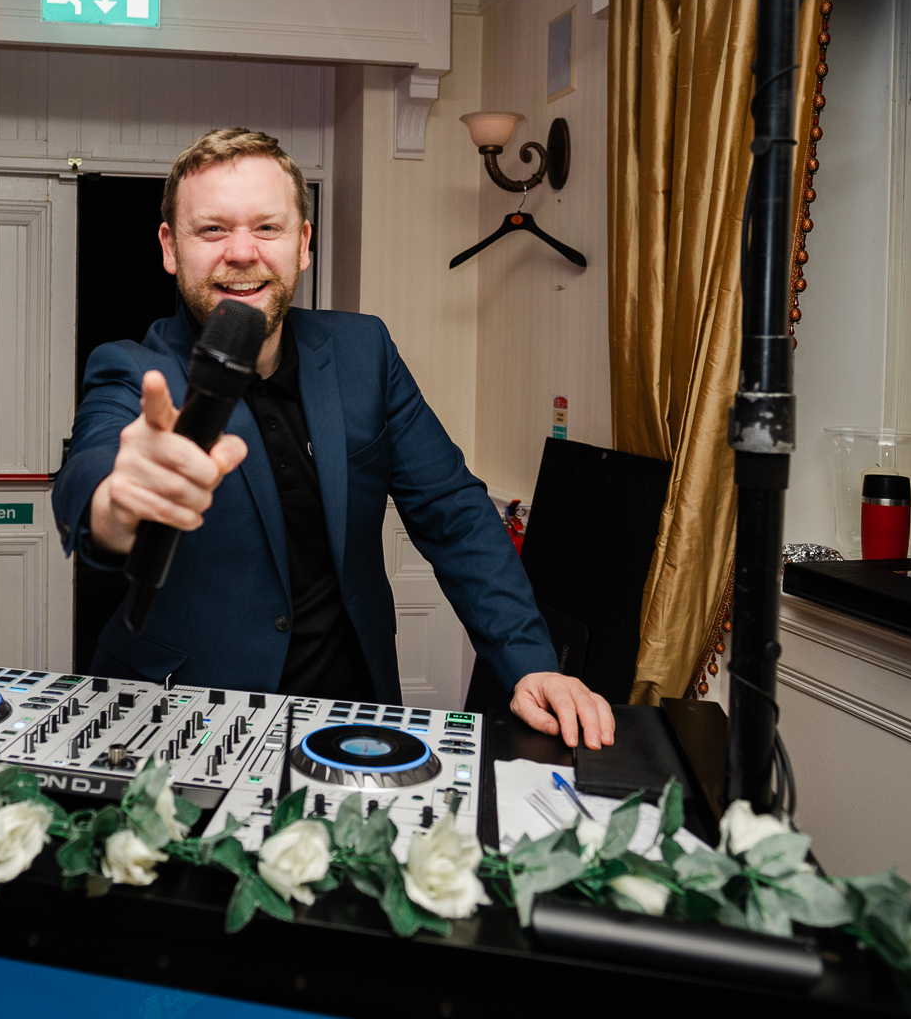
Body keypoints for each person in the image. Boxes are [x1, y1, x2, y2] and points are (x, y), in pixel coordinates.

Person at [51, 128, 615, 749]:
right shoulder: (132, 369)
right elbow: (95, 487)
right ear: (169, 247)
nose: (242, 252)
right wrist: (122, 502)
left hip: (352, 720)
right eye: (211, 230)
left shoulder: (362, 352)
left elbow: (453, 512)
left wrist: (530, 659)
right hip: (183, 724)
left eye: (267, 228)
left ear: (303, 245)